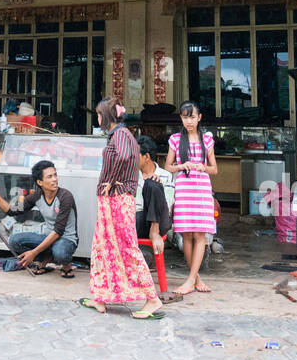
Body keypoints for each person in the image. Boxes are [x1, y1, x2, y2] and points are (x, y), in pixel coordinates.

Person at [79, 97, 164, 319]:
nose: (97, 118)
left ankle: (151, 298)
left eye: (99, 114)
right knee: (103, 247)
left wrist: (113, 180)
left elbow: (126, 156)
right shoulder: (117, 135)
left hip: (118, 200)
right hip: (111, 201)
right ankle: (101, 296)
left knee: (126, 248)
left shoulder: (122, 134)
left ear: (107, 116)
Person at [0, 160, 78, 277]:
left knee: (60, 252)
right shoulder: (37, 196)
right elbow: (12, 210)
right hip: (47, 236)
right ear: (40, 182)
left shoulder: (65, 196)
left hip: (66, 239)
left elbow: (58, 231)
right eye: (50, 177)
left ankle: (66, 264)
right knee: (14, 241)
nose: (55, 179)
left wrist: (33, 253)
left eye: (55, 175)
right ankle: (47, 257)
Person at [165, 101, 219, 295]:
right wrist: (182, 165)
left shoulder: (207, 140)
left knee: (200, 235)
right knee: (186, 234)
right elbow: (168, 166)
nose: (189, 121)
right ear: (181, 118)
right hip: (184, 189)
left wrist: (203, 167)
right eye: (185, 117)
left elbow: (214, 169)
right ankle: (195, 278)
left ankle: (190, 280)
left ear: (199, 118)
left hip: (202, 190)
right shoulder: (176, 140)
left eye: (192, 117)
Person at [135, 140, 174, 252]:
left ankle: (154, 230)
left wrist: (157, 186)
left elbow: (167, 202)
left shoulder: (166, 175)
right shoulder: (132, 175)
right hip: (139, 220)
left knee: (152, 184)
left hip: (161, 221)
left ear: (146, 156)